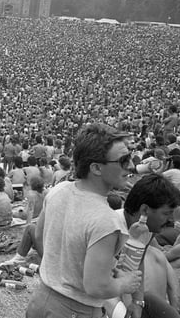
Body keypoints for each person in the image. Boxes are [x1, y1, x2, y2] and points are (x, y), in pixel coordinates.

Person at [26, 123, 142, 318]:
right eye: (123, 160)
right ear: (96, 168)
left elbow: (39, 235)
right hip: (76, 310)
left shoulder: (58, 190)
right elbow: (96, 286)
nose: (131, 165)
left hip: (41, 299)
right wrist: (126, 283)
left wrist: (62, 270)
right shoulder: (106, 220)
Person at [103, 174, 180, 318]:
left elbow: (138, 262)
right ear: (145, 210)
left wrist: (137, 301)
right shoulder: (109, 230)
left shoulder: (146, 230)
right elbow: (96, 285)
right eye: (166, 213)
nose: (171, 219)